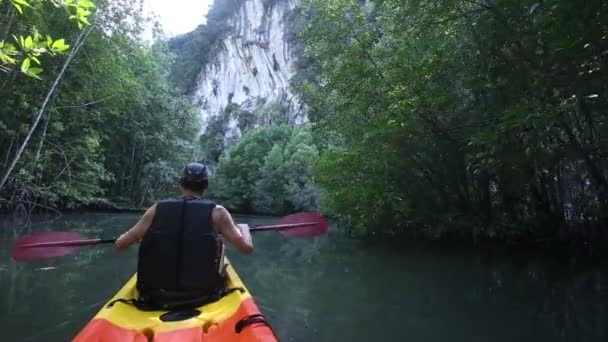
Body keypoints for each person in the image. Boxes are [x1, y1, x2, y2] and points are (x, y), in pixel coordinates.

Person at [114, 162, 253, 309]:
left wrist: (131, 237)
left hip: (154, 296)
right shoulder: (218, 212)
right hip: (202, 296)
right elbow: (246, 248)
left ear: (180, 183)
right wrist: (244, 228)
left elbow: (120, 245)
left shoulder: (157, 209)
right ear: (205, 185)